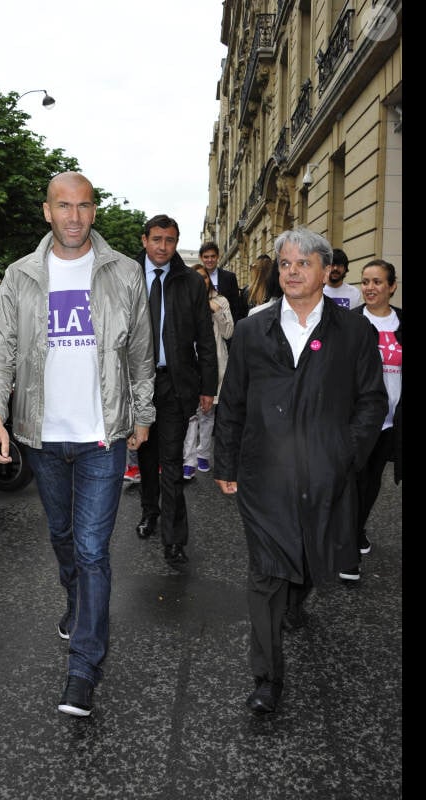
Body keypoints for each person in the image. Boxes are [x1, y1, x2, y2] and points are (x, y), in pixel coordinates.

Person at [0, 171, 156, 718]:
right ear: (47, 212)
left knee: (91, 550)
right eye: (64, 206)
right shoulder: (20, 276)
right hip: (42, 433)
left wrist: (142, 415)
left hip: (102, 436)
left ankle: (83, 669)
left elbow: (141, 356)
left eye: (83, 206)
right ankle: (77, 603)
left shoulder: (125, 274)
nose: (74, 216)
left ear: (94, 212)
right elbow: (1, 349)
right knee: (62, 538)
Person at [213, 226, 388, 715]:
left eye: (302, 263)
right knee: (266, 571)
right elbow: (233, 403)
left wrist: (345, 453)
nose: (291, 272)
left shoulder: (353, 331)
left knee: (311, 554)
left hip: (324, 472)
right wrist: (225, 462)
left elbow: (371, 401)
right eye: (285, 264)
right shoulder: (252, 329)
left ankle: (297, 597)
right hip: (264, 475)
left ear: (326, 270)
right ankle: (266, 677)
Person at [135, 215, 218, 568]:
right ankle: (149, 511)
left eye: (169, 240)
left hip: (175, 384)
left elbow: (205, 338)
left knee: (170, 460)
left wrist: (208, 386)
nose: (163, 247)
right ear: (144, 240)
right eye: (156, 239)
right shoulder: (128, 278)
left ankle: (174, 538)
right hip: (136, 384)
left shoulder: (190, 283)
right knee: (146, 455)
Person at [338, 258, 402, 581]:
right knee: (352, 481)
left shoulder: (401, 322)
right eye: (365, 282)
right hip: (358, 420)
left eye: (377, 282)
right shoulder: (348, 322)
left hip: (391, 420)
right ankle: (348, 551)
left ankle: (357, 528)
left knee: (372, 481)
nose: (370, 288)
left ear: (392, 286)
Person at [183, 264, 233, 479]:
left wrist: (217, 311)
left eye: (204, 277)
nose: (200, 281)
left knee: (208, 411)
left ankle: (204, 453)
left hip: (215, 364)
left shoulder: (221, 301)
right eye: (196, 277)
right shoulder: (184, 299)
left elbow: (229, 333)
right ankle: (189, 459)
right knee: (190, 414)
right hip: (189, 364)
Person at [199, 241, 243, 326]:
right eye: (206, 257)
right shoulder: (195, 277)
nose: (210, 260)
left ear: (218, 256)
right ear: (201, 258)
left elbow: (236, 307)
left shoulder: (230, 277)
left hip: (224, 329)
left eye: (213, 256)